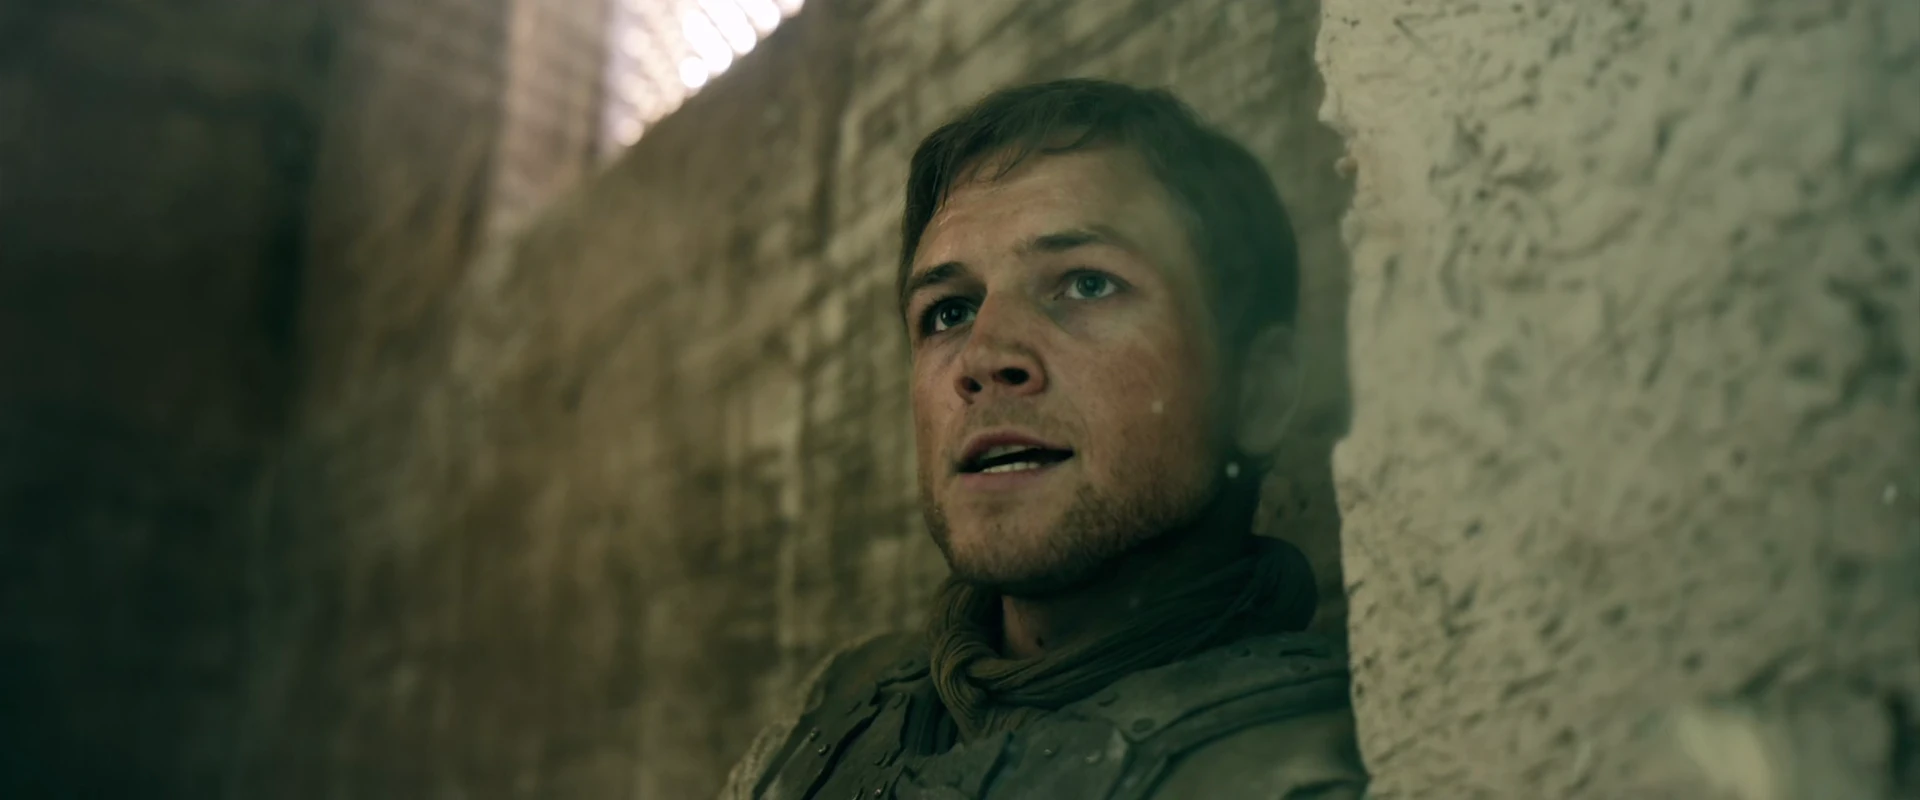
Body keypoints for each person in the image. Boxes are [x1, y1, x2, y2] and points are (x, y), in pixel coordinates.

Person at [719, 78, 1367, 799]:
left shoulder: (1349, 761)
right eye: (949, 311)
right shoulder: (823, 727)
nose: (983, 356)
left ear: (1258, 392)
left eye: (1087, 284)